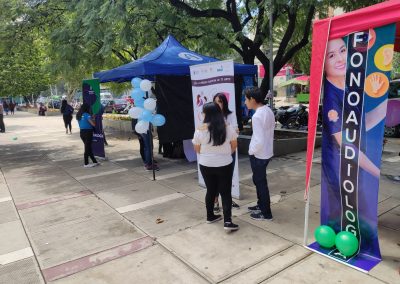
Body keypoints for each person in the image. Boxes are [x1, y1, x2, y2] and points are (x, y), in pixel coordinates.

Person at [192, 102, 239, 231]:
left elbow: (197, 149)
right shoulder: (228, 127)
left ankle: (210, 216)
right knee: (225, 192)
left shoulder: (200, 129)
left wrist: (209, 154)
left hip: (206, 164)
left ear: (206, 114)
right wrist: (225, 153)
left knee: (211, 190)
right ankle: (228, 222)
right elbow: (234, 145)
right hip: (224, 164)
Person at [245, 87, 275, 221]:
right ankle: (261, 205)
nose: (245, 102)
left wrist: (251, 151)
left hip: (259, 154)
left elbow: (259, 139)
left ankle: (266, 213)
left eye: (246, 99)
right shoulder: (268, 110)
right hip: (266, 152)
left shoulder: (257, 116)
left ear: (252, 99)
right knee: (259, 181)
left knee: (260, 183)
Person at [212, 93, 240, 212]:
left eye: (220, 101)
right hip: (216, 152)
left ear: (224, 103)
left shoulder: (231, 114)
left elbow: (236, 132)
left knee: (228, 177)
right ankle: (215, 200)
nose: (218, 104)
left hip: (229, 151)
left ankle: (227, 200)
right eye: (216, 101)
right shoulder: (211, 115)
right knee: (216, 178)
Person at [76, 103, 99, 168]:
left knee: (88, 147)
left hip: (82, 132)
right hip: (88, 132)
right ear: (87, 108)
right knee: (87, 148)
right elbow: (93, 124)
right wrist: (93, 118)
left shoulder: (79, 115)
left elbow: (84, 122)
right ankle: (86, 163)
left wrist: (91, 117)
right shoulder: (87, 115)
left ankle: (95, 161)